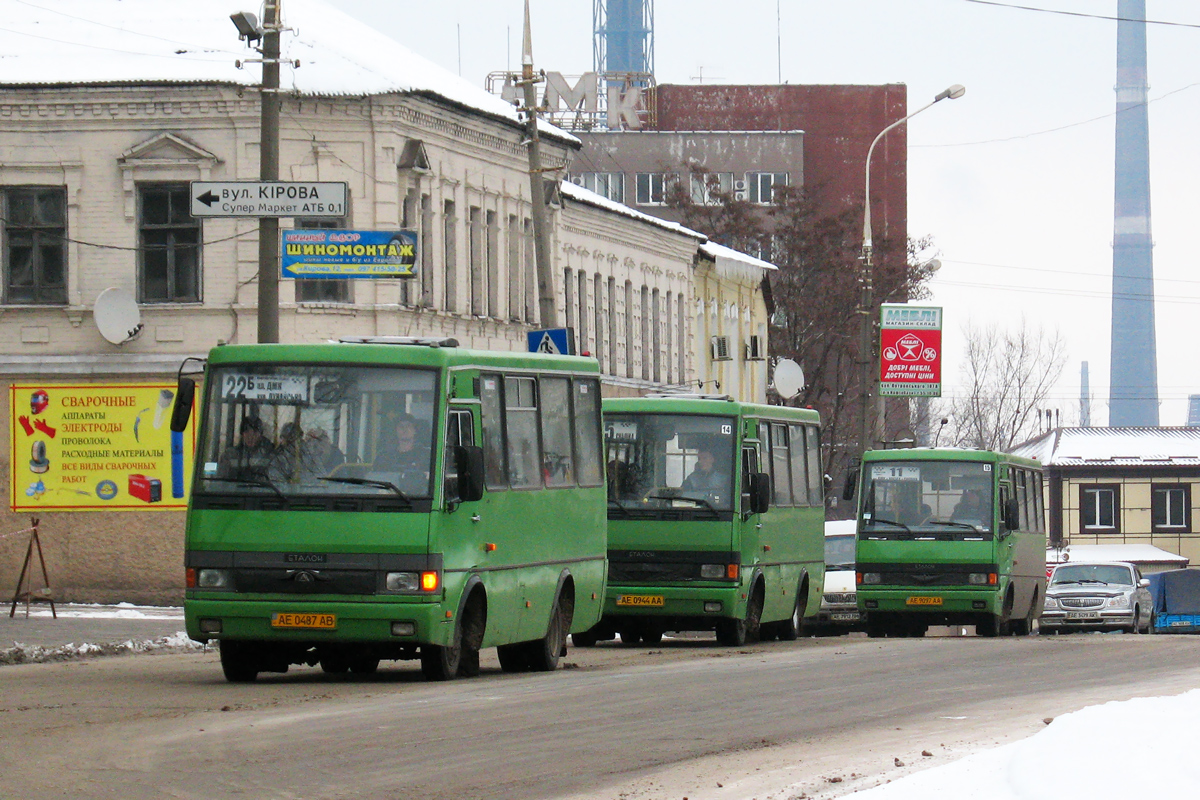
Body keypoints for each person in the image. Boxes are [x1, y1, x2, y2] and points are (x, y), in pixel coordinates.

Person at [375, 413, 428, 490]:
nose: (404, 429)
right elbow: (376, 480)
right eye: (401, 426)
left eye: (408, 426)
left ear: (415, 430)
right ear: (395, 431)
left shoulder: (426, 455)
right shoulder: (383, 456)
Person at [218, 417, 275, 481]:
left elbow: (274, 479)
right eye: (247, 432)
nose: (250, 437)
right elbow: (221, 479)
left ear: (260, 435)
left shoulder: (269, 455)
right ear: (242, 434)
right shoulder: (230, 455)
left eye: (255, 433)